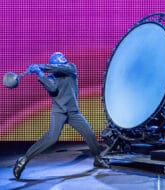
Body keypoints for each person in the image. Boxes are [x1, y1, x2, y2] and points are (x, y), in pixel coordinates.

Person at [13, 52, 109, 180]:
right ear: (54, 61)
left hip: (73, 112)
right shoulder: (51, 77)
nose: (63, 59)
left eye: (63, 57)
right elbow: (52, 90)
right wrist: (40, 74)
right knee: (52, 138)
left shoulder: (70, 68)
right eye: (60, 58)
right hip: (58, 112)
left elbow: (59, 68)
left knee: (89, 133)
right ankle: (24, 159)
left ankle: (98, 158)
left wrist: (39, 67)